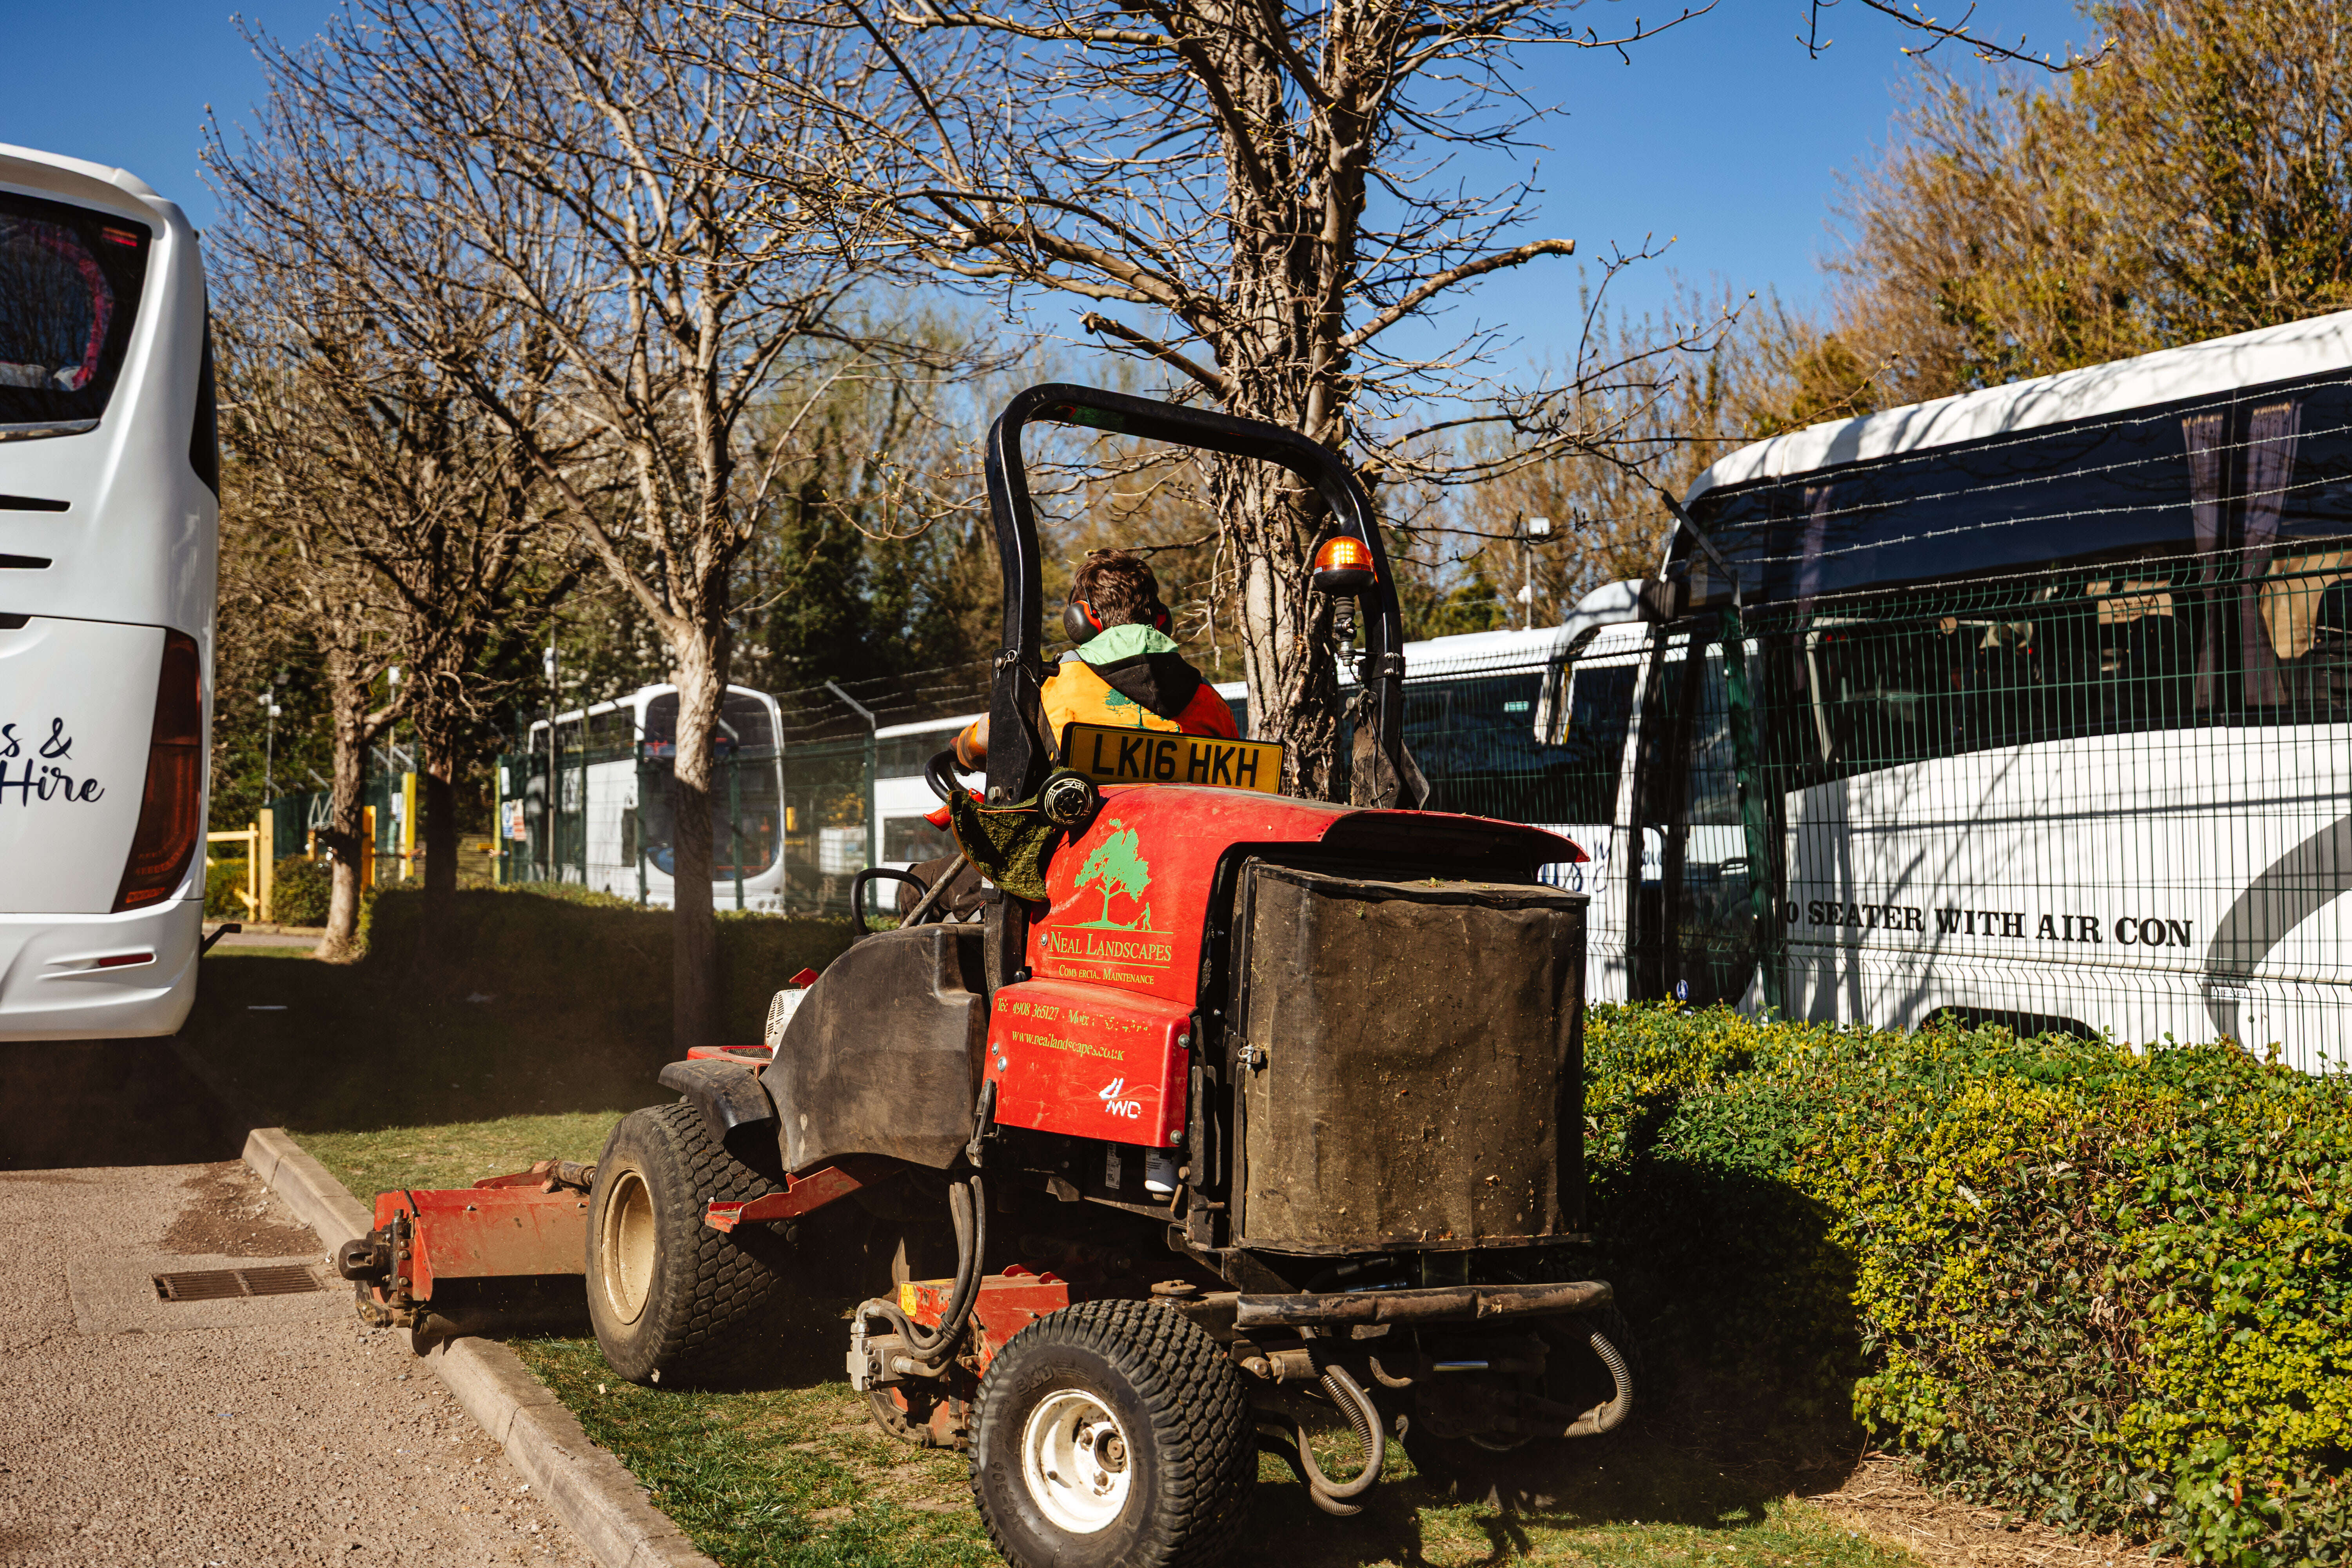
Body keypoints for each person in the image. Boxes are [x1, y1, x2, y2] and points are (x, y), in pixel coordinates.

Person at [954, 550, 1236, 768]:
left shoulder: (1053, 688)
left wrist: (958, 748)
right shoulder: (1210, 700)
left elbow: (990, 737)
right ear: (1162, 619)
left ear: (1082, 619)